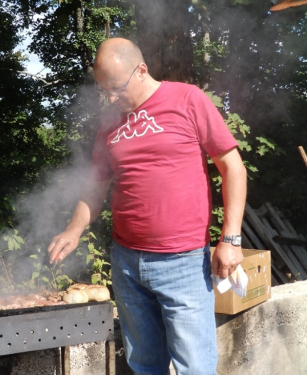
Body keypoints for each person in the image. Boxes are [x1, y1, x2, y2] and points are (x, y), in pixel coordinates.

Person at [47, 38, 247, 375]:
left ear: (141, 70)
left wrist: (231, 239)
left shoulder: (188, 99)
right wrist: (74, 228)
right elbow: (96, 185)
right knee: (143, 365)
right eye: (104, 90)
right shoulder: (110, 122)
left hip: (182, 263)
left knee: (195, 368)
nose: (111, 98)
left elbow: (233, 168)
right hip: (127, 264)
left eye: (116, 88)